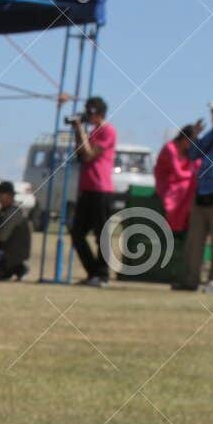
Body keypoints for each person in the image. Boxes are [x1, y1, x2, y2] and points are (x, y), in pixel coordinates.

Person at [69, 95, 117, 286]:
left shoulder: (108, 131)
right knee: (77, 232)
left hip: (101, 189)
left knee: (102, 233)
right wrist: (77, 131)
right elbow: (80, 153)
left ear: (99, 113)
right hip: (86, 189)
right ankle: (93, 272)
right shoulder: (92, 132)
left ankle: (102, 275)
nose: (87, 116)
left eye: (90, 112)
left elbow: (89, 154)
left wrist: (81, 129)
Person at [177, 101, 213, 291]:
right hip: (202, 193)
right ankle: (190, 281)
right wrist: (194, 136)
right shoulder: (210, 135)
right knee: (194, 242)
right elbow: (193, 155)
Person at [154, 124, 200, 236]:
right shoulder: (170, 148)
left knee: (191, 185)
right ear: (184, 138)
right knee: (186, 185)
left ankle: (182, 221)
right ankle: (176, 222)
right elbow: (178, 173)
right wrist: (194, 175)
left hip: (180, 181)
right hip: (166, 184)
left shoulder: (187, 151)